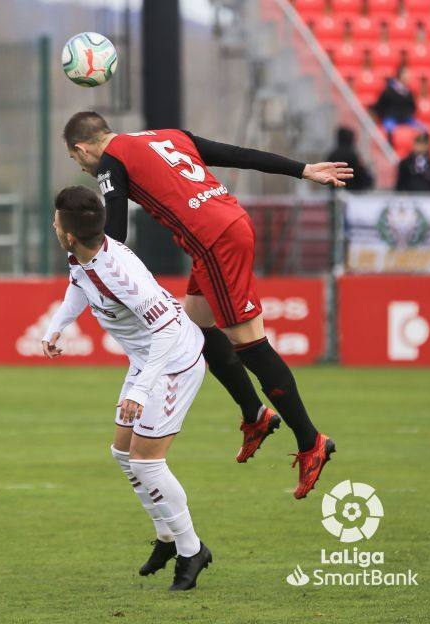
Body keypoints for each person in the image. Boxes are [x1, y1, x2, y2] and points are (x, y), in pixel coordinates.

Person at [63, 111, 347, 499]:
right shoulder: (167, 135)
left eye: (75, 158)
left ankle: (310, 440)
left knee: (252, 346)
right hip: (230, 223)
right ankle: (255, 414)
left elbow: (114, 234)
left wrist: (86, 257)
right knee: (196, 330)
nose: (80, 165)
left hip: (215, 241)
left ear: (81, 148)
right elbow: (236, 153)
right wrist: (302, 170)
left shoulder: (111, 162)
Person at [42, 186, 211, 591]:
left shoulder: (119, 274)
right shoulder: (86, 255)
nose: (53, 222)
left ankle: (192, 550)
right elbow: (79, 283)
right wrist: (57, 324)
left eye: (55, 219)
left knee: (147, 462)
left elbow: (168, 329)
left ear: (66, 233)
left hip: (173, 363)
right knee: (122, 452)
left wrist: (141, 390)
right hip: (147, 359)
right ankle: (167, 536)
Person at [373, 67, 427, 138]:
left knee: (423, 129)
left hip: (406, 119)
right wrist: (385, 115)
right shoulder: (389, 90)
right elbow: (380, 105)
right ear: (400, 75)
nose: (408, 76)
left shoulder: (409, 92)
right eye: (406, 74)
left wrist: (407, 114)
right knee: (389, 131)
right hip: (391, 118)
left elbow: (413, 107)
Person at [326, 127, 374, 191]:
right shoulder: (352, 155)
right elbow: (359, 173)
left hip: (336, 191)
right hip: (352, 191)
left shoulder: (332, 155)